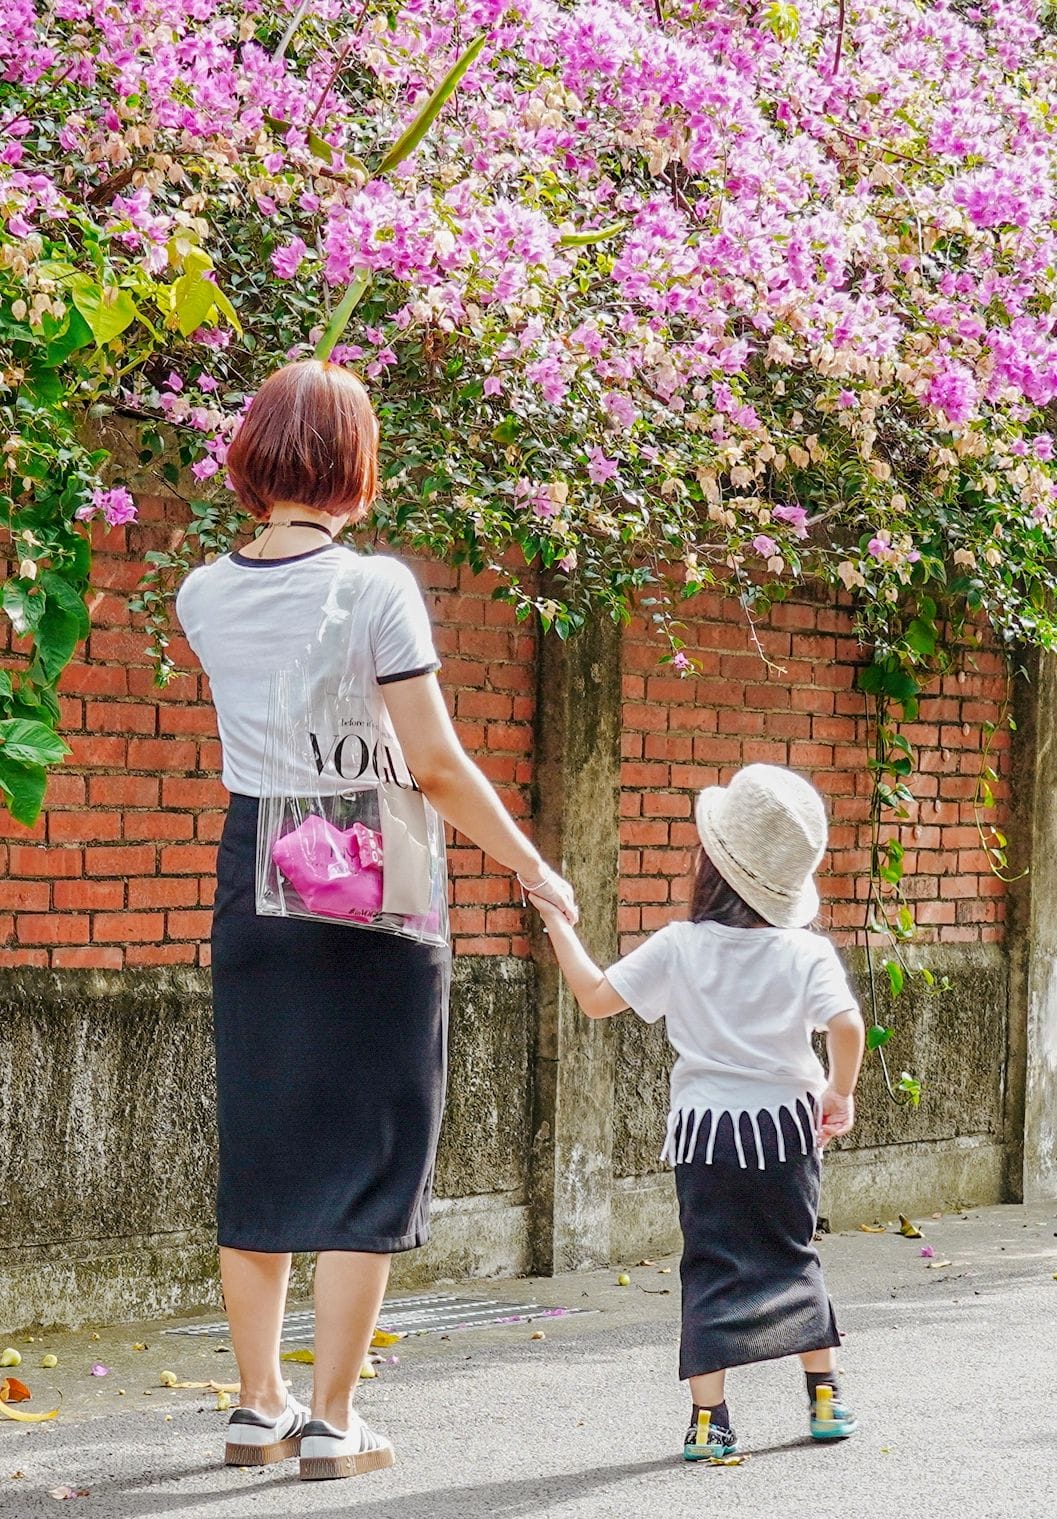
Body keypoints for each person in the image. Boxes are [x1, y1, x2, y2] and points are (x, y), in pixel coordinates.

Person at [175, 358, 577, 1483]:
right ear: (354, 463)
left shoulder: (201, 593)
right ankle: (336, 1422)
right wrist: (533, 866)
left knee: (261, 1140)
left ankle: (258, 1408)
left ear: (252, 455)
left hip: (255, 865)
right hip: (367, 873)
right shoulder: (379, 586)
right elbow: (437, 767)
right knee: (370, 1150)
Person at [528, 762, 865, 1461]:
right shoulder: (807, 950)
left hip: (706, 1134)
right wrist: (838, 1090)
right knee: (792, 1255)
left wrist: (558, 922)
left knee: (710, 1265)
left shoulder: (681, 945)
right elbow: (847, 1025)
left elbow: (594, 997)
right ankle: (825, 1398)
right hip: (786, 1129)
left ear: (710, 861)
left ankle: (709, 1423)